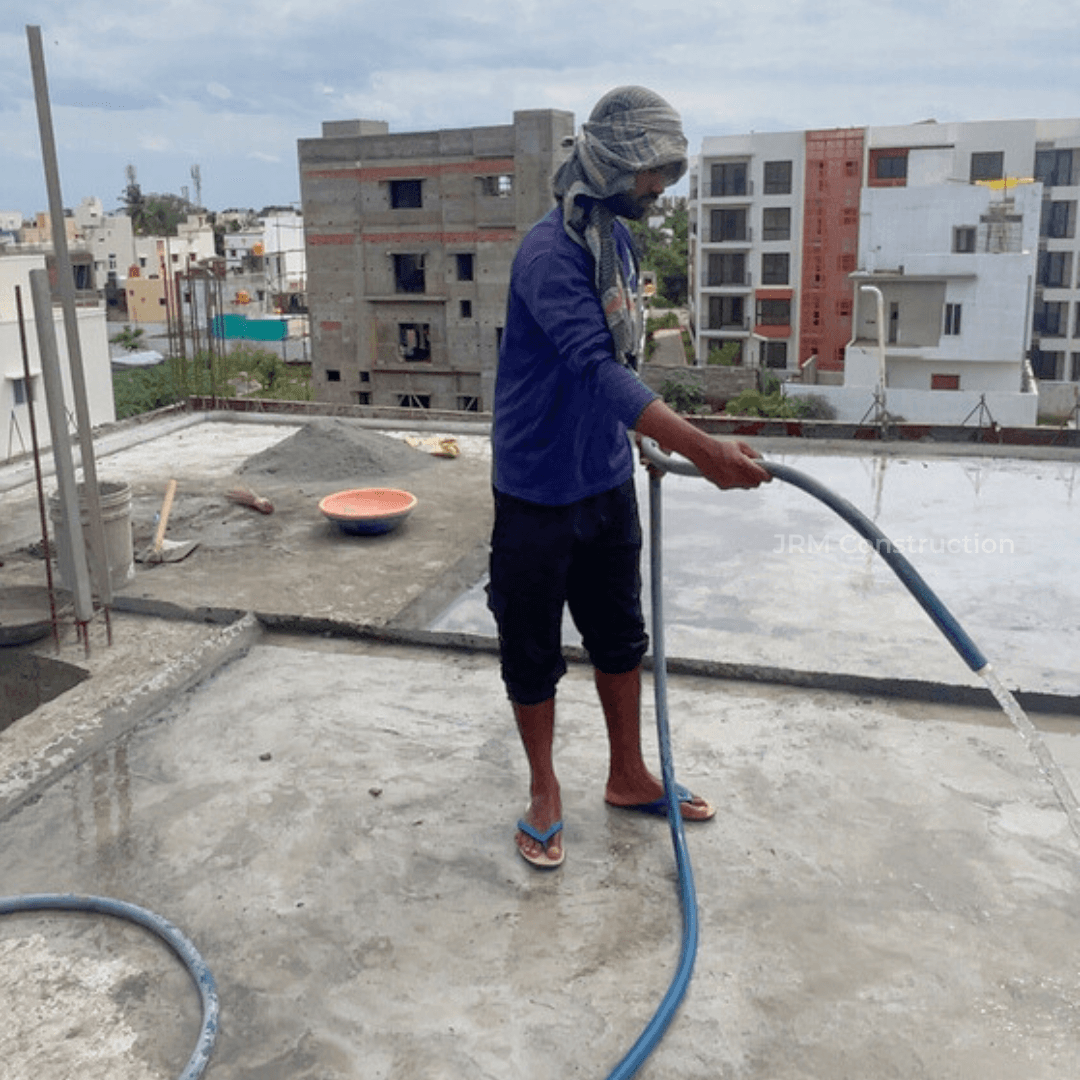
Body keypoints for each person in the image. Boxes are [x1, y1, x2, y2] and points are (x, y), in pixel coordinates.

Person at [488, 86, 770, 869]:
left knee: (619, 636)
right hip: (537, 488)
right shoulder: (549, 254)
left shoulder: (619, 241)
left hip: (606, 477)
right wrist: (700, 449)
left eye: (668, 173)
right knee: (532, 646)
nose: (659, 188)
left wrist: (640, 441)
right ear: (610, 163)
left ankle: (626, 773)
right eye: (650, 172)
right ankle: (545, 789)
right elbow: (590, 369)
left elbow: (624, 360)